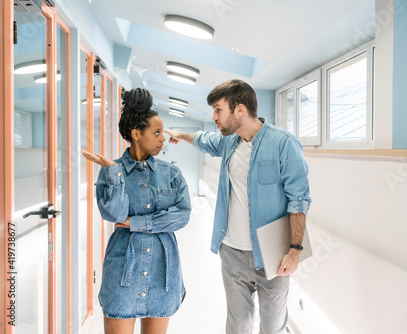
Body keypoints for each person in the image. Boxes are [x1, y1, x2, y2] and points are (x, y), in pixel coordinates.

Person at [164, 79, 311, 334]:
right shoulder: (229, 142)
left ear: (239, 110)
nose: (214, 117)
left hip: (272, 257)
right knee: (237, 326)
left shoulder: (283, 143)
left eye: (219, 110)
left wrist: (295, 249)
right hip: (231, 252)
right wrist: (180, 135)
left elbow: (298, 199)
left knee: (273, 326)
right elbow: (203, 139)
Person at [82, 88, 191, 334]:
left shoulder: (171, 173)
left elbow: (182, 215)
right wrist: (115, 175)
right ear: (136, 134)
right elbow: (114, 215)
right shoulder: (111, 171)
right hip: (123, 272)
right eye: (156, 133)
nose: (163, 139)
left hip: (162, 272)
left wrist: (138, 223)